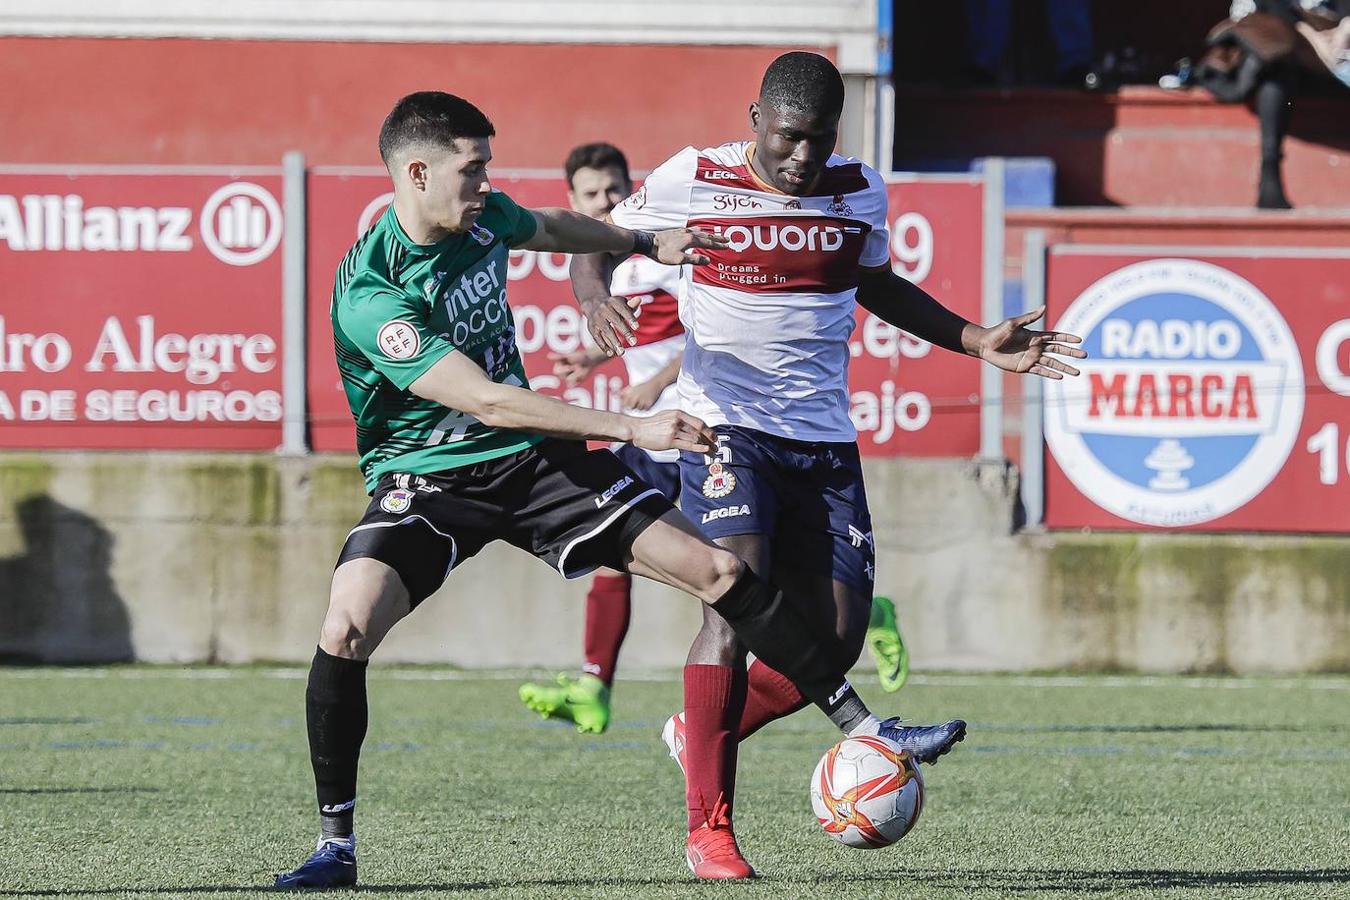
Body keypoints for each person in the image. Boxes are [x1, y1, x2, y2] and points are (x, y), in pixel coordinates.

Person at [274, 90, 974, 890]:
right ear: (417, 174)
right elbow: (488, 401)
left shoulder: (483, 217)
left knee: (719, 573)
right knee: (347, 622)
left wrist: (642, 240)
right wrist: (633, 427)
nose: (487, 183)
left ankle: (864, 727)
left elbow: (553, 229)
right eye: (472, 170)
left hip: (532, 465)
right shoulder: (372, 294)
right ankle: (335, 847)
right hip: (429, 480)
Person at [573, 52, 1085, 879]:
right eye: (787, 138)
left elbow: (877, 284)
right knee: (733, 599)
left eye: (819, 139)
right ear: (756, 121)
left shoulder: (859, 190)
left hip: (823, 440)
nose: (802, 156)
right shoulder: (695, 177)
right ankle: (709, 831)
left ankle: (700, 730)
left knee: (837, 637)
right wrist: (594, 294)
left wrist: (975, 339)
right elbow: (592, 239)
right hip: (725, 427)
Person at [517, 143, 685, 734]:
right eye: (591, 194)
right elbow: (652, 328)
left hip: (697, 426)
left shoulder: (661, 246)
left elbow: (713, 334)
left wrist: (658, 382)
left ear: (631, 187)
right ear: (572, 201)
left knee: (742, 562)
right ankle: (595, 685)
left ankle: (858, 610)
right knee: (613, 547)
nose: (605, 201)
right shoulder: (612, 259)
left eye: (613, 189)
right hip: (654, 437)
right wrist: (592, 358)